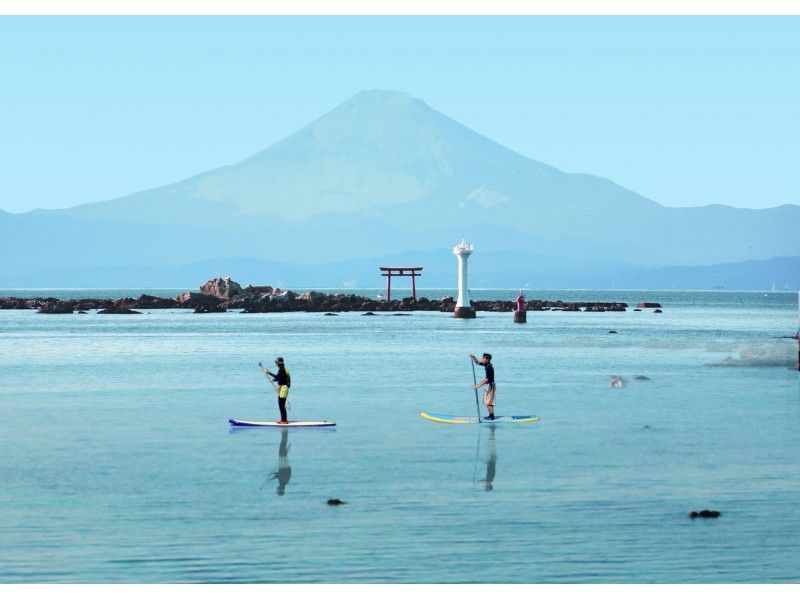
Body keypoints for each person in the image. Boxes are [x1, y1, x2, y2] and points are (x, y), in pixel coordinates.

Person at [261, 357, 291, 424]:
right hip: (282, 388)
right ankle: (283, 420)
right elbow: (280, 378)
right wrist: (273, 379)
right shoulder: (283, 369)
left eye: (276, 363)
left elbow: (277, 377)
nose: (275, 364)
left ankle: (284, 421)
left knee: (281, 405)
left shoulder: (282, 370)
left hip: (283, 388)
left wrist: (268, 373)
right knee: (281, 405)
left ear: (279, 363)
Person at [470, 352, 496, 420]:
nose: (482, 359)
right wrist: (474, 358)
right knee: (487, 402)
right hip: (488, 385)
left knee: (489, 402)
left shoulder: (489, 367)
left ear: (487, 359)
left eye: (483, 358)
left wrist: (478, 385)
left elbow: (487, 379)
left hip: (490, 385)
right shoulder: (486, 365)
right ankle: (491, 415)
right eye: (482, 358)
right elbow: (477, 363)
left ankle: (491, 417)